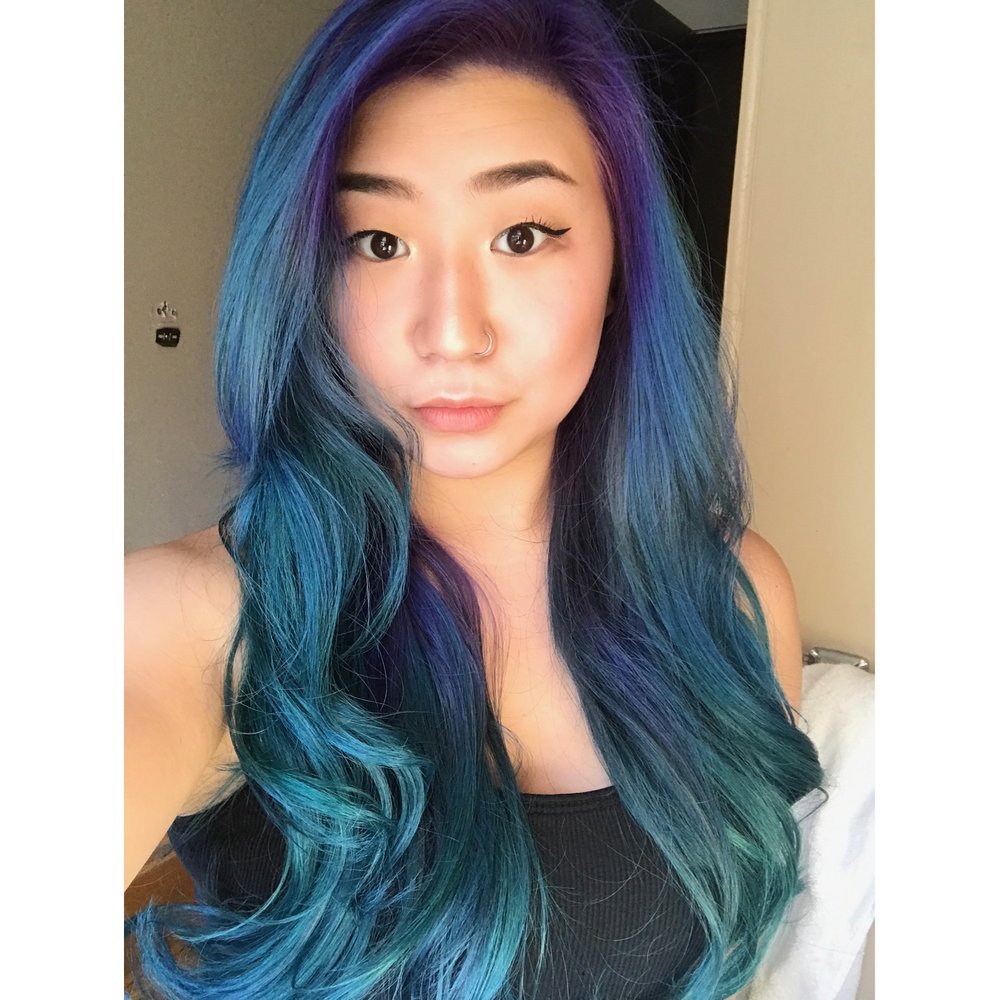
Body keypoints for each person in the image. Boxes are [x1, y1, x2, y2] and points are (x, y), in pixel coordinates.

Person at [125, 1, 823, 997]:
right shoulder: (195, 621)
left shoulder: (731, 593)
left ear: (620, 264)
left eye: (523, 235)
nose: (452, 332)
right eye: (377, 242)